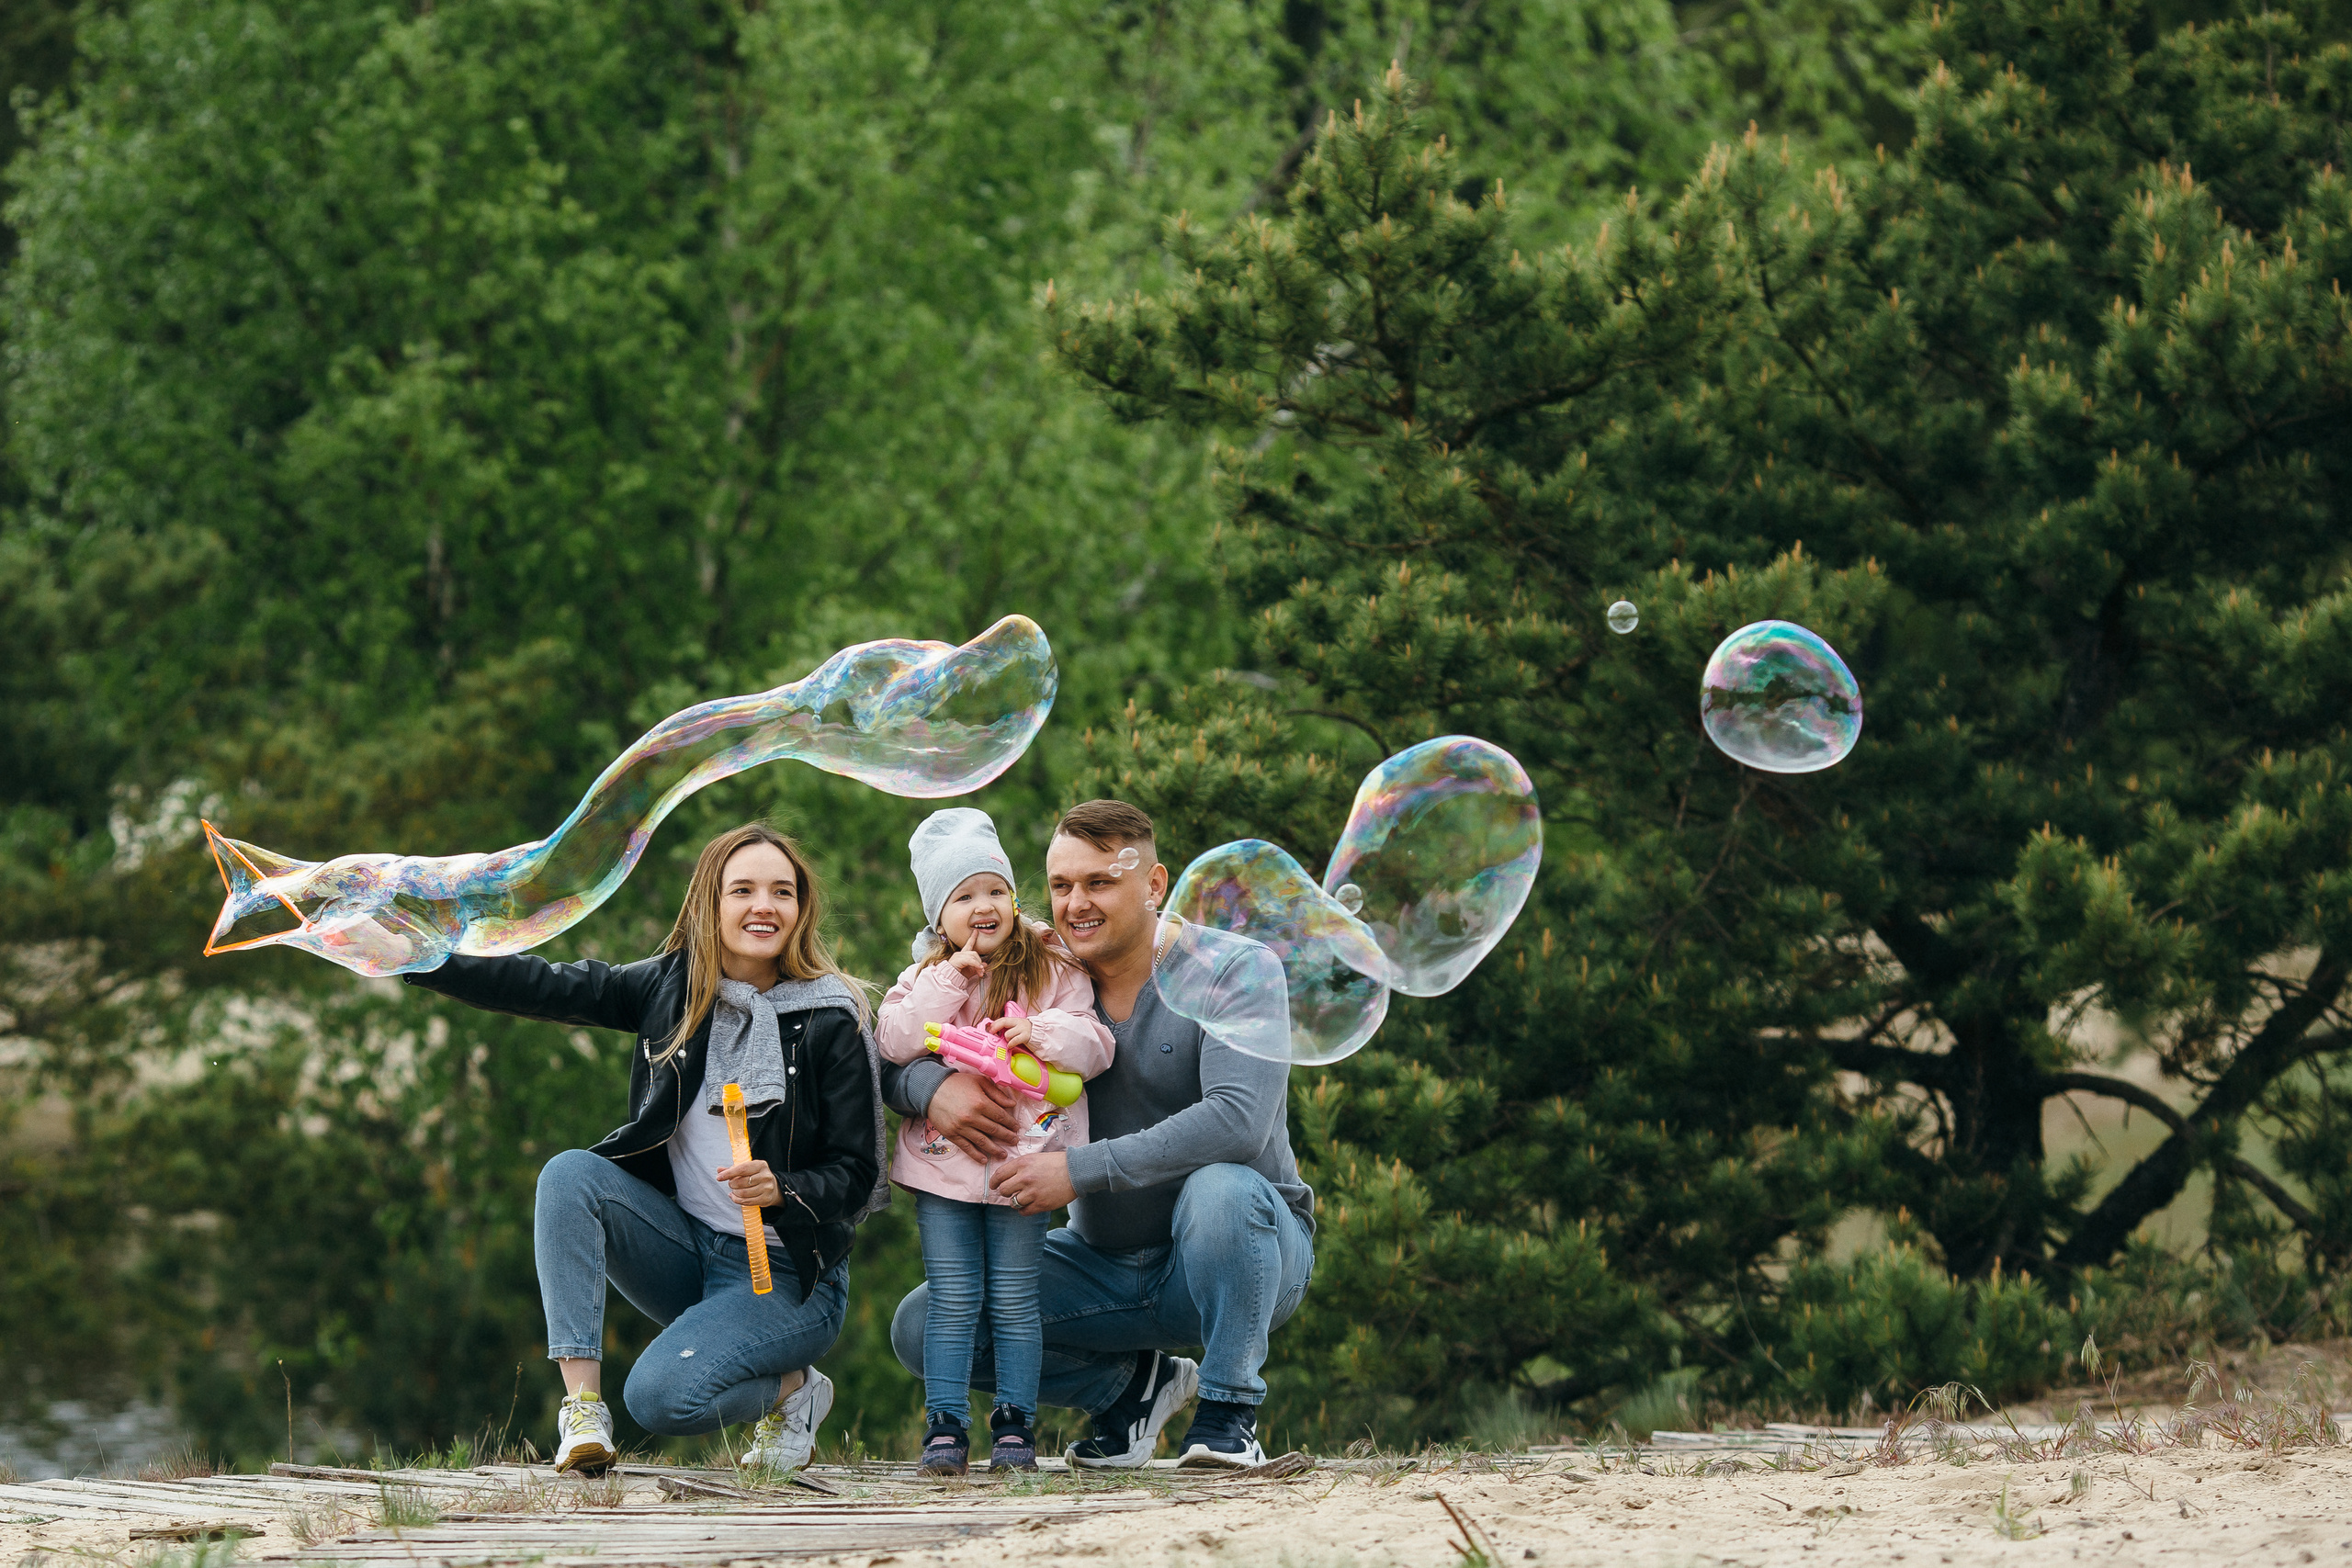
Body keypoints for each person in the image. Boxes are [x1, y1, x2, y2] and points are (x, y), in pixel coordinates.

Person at [403, 823, 886, 1474]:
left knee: (660, 1398)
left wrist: (785, 1189)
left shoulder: (832, 1016)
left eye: (782, 891)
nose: (762, 906)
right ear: (709, 904)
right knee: (569, 1175)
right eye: (741, 889)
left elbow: (857, 1173)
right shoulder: (671, 988)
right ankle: (581, 1411)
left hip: (790, 1277)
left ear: (802, 908)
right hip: (688, 1248)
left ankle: (794, 1390)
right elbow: (544, 984)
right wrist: (415, 957)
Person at [882, 799, 1314, 1470]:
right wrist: (930, 1090)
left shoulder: (1235, 969)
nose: (1075, 903)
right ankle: (1130, 1391)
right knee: (922, 1324)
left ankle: (1230, 1410)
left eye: (1099, 882)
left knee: (1223, 1191)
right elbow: (894, 1045)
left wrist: (1079, 1169)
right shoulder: (1037, 971)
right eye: (1060, 885)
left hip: (1239, 1252)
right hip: (1101, 1263)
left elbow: (1239, 1120)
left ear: (1155, 883)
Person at [875, 808, 1114, 1477]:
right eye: (964, 896)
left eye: (994, 889)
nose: (984, 905)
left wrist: (1040, 1035)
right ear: (939, 916)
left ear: (1013, 896)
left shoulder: (1052, 964)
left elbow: (1095, 1043)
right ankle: (944, 1425)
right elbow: (893, 1039)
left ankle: (1015, 1425)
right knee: (951, 1298)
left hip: (1025, 1166)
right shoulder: (927, 974)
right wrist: (952, 976)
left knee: (1014, 1300)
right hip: (944, 1171)